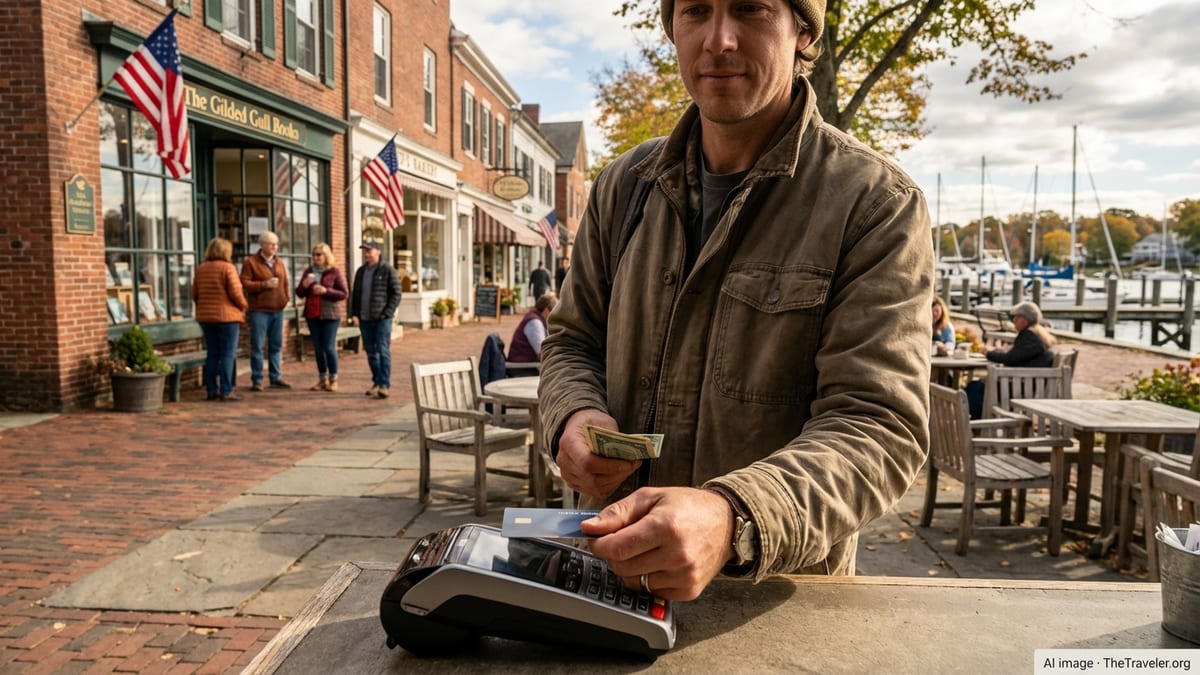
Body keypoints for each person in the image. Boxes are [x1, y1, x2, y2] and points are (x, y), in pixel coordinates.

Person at [539, 0, 932, 602]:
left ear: (803, 32)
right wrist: (573, 415)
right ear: (673, 28)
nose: (718, 39)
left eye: (749, 10)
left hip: (775, 602)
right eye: (696, 11)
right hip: (612, 581)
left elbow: (879, 425)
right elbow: (572, 341)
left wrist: (735, 517)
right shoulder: (622, 187)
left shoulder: (875, 204)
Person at [192, 238, 247, 402]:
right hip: (227, 317)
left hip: (206, 317)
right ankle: (226, 390)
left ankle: (211, 389)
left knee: (212, 353)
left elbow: (195, 294)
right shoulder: (228, 268)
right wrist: (244, 305)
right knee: (227, 354)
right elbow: (236, 293)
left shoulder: (201, 269)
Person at [240, 231, 292, 391]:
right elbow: (245, 284)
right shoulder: (250, 262)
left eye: (276, 244)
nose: (275, 247)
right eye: (271, 244)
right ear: (262, 245)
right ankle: (257, 379)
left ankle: (275, 377)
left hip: (278, 310)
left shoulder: (280, 262)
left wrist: (285, 299)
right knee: (258, 346)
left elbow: (285, 283)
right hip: (259, 311)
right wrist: (264, 285)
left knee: (276, 346)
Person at [350, 241, 402, 399]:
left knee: (383, 350)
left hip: (381, 319)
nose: (366, 254)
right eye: (364, 251)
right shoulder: (361, 271)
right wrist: (354, 313)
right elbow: (355, 295)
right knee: (371, 352)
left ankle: (384, 385)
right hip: (364, 318)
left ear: (378, 251)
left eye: (369, 250)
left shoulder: (387, 270)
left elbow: (397, 293)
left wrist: (387, 313)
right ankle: (377, 382)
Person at [295, 243, 348, 392]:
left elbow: (344, 293)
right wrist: (305, 285)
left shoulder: (334, 272)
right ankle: (322, 379)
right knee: (318, 348)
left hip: (330, 315)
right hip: (312, 314)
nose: (316, 257)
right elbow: (299, 293)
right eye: (314, 254)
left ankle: (334, 379)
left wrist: (326, 290)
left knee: (329, 347)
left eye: (319, 254)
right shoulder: (309, 272)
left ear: (326, 256)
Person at [986, 301, 1054, 367]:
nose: (1014, 320)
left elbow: (1009, 358)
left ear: (1027, 319)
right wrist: (996, 351)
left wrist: (988, 353)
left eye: (1018, 317)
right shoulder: (1038, 333)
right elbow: (1016, 355)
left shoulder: (1029, 336)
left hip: (1025, 377)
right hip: (1031, 376)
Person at [507, 292, 558, 366]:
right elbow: (542, 352)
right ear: (546, 311)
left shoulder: (535, 318)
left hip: (526, 364)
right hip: (522, 368)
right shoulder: (535, 323)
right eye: (554, 313)